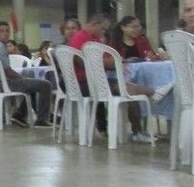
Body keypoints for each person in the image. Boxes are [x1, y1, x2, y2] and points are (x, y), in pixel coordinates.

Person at [70, 13, 173, 142]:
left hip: (93, 81)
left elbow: (102, 58)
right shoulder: (81, 37)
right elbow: (81, 60)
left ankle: (154, 95)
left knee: (128, 87)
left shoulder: (91, 39)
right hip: (85, 84)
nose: (104, 33)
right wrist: (115, 63)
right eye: (102, 29)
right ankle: (152, 99)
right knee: (128, 90)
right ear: (94, 24)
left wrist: (114, 62)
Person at [0, 21, 52, 127]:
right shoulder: (0, 48)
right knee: (46, 85)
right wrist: (22, 78)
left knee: (31, 85)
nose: (5, 33)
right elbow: (8, 72)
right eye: (1, 31)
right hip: (5, 84)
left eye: (7, 31)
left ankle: (19, 115)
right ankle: (41, 120)